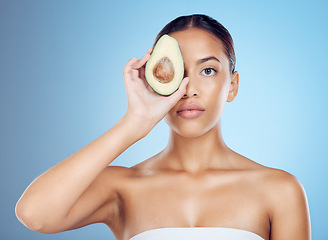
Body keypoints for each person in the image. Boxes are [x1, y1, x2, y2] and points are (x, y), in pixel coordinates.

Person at [15, 14, 311, 240]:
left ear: (232, 86)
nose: (189, 88)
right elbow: (34, 215)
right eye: (176, 70)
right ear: (154, 80)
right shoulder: (123, 188)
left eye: (207, 70)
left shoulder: (279, 190)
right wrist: (134, 123)